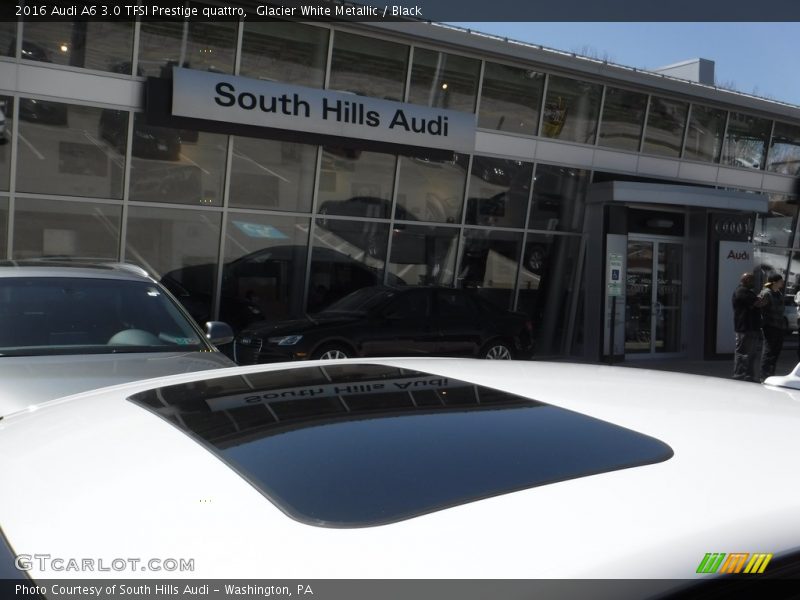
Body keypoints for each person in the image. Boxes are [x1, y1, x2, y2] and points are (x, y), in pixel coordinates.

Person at [732, 272, 767, 382]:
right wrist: (760, 301)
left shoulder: (748, 292)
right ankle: (740, 374)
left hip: (751, 328)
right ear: (746, 280)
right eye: (752, 280)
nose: (754, 283)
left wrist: (760, 301)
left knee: (751, 353)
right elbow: (759, 303)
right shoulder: (741, 291)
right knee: (744, 353)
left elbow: (760, 302)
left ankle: (749, 375)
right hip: (745, 328)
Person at [759, 273, 786, 381]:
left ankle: (771, 374)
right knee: (768, 351)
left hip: (779, 326)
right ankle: (764, 376)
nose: (782, 283)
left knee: (775, 351)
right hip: (770, 326)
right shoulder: (766, 293)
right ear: (774, 282)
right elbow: (760, 308)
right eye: (781, 281)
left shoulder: (778, 293)